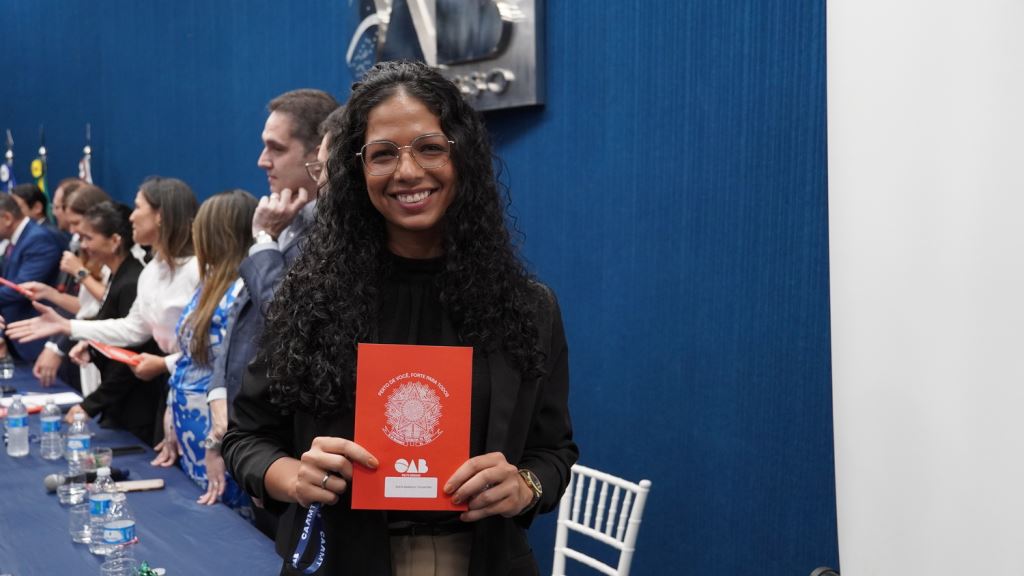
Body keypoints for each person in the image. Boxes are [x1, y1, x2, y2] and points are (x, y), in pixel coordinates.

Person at [222, 61, 577, 575]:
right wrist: (292, 477)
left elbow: (554, 451)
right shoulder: (311, 299)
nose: (408, 171)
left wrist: (526, 485)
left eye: (430, 148)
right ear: (357, 169)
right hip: (343, 561)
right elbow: (245, 439)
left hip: (481, 560)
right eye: (383, 154)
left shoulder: (527, 307)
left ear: (462, 156)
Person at [6, 176, 199, 445]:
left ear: (160, 216)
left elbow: (213, 349)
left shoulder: (197, 271)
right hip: (170, 395)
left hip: (197, 393)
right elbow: (132, 328)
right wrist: (68, 326)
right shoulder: (153, 270)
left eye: (138, 207)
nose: (132, 216)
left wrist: (164, 364)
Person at [213, 100, 343, 408]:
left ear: (317, 153)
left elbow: (286, 316)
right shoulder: (282, 217)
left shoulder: (333, 232)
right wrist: (217, 391)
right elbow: (239, 314)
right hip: (241, 415)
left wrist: (264, 238)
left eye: (277, 149)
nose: (262, 161)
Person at [150, 189, 257, 508]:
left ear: (218, 234)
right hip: (191, 426)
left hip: (218, 433)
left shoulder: (242, 290)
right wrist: (171, 413)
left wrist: (217, 443)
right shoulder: (209, 280)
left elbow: (235, 376)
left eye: (200, 228)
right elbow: (189, 358)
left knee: (226, 519)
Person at [58, 201, 163, 445]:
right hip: (120, 405)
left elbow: (130, 355)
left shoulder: (132, 281)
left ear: (115, 241)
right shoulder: (119, 275)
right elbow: (112, 326)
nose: (83, 245)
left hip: (136, 410)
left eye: (88, 238)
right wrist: (92, 345)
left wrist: (91, 405)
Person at [23, 183, 112, 392]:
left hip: (108, 348)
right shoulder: (86, 254)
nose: (73, 231)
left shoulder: (114, 256)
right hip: (87, 347)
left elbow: (110, 301)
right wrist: (49, 293)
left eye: (77, 223)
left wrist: (80, 272)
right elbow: (86, 306)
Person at [0, 194, 63, 362]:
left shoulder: (38, 238)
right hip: (18, 337)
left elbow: (21, 288)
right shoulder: (17, 239)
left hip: (37, 336)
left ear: (7, 218)